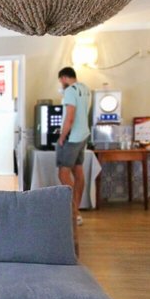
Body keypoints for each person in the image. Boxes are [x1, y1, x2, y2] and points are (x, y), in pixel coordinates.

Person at [56, 67, 91, 225]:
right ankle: (75, 210)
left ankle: (75, 213)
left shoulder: (70, 91)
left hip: (72, 137)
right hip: (83, 135)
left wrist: (62, 137)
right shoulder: (85, 89)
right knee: (78, 172)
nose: (61, 84)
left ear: (64, 78)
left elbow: (69, 117)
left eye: (60, 81)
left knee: (63, 174)